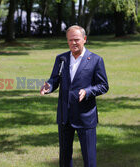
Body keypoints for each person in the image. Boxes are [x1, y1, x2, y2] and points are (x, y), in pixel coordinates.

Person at [40, 25, 109, 167]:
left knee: (89, 159)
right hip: (65, 116)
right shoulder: (61, 59)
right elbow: (55, 79)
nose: (73, 43)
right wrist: (49, 86)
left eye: (76, 39)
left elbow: (103, 85)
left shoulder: (96, 60)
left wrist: (87, 91)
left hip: (86, 116)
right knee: (64, 158)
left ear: (84, 39)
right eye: (70, 40)